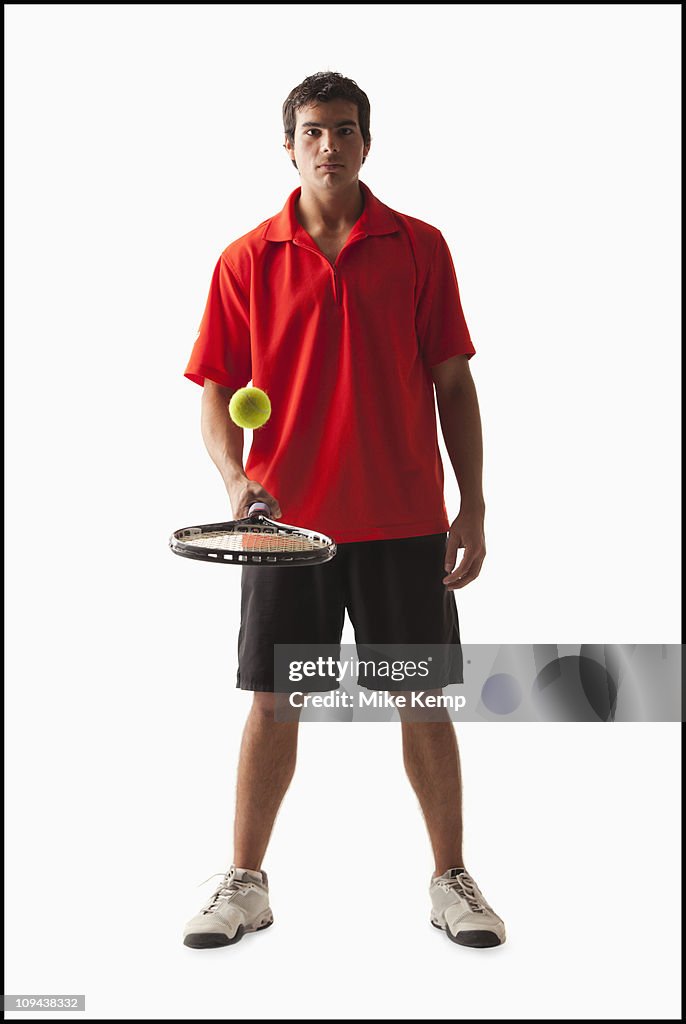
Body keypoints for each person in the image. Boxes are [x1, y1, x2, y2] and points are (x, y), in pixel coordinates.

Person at [181, 71, 506, 950]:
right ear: (289, 144)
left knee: (420, 702)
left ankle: (452, 880)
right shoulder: (248, 258)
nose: (330, 144)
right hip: (290, 533)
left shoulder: (420, 247)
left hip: (404, 520)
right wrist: (234, 480)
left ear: (368, 142)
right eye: (314, 130)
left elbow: (453, 380)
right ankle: (245, 883)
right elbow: (216, 391)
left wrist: (470, 503)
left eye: (346, 129)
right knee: (278, 702)